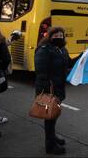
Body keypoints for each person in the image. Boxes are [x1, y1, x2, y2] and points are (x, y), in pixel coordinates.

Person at [34, 27, 82, 155]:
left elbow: (69, 63)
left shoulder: (62, 49)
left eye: (61, 35)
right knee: (49, 117)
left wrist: (82, 56)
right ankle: (50, 146)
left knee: (54, 115)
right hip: (49, 90)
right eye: (56, 35)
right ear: (49, 36)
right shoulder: (44, 50)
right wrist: (47, 91)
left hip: (59, 89)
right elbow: (40, 71)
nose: (59, 37)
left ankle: (53, 137)